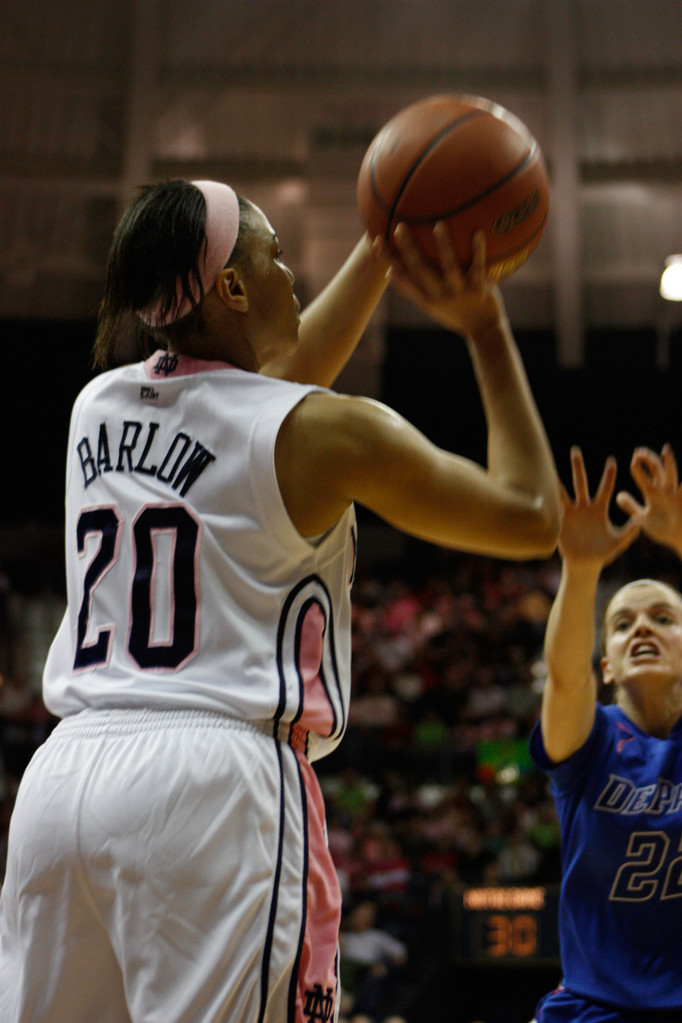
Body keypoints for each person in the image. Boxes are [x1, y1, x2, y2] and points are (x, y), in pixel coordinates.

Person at [0, 177, 560, 1023]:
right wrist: (483, 325)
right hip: (212, 788)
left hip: (61, 784)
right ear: (230, 286)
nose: (294, 275)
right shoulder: (329, 433)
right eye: (276, 256)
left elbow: (257, 400)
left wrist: (380, 248)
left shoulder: (96, 406)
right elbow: (532, 518)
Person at [531, 444, 682, 1022]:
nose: (642, 626)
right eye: (621, 624)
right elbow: (565, 679)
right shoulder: (592, 737)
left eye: (663, 619)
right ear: (607, 665)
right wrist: (581, 567)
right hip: (595, 1007)